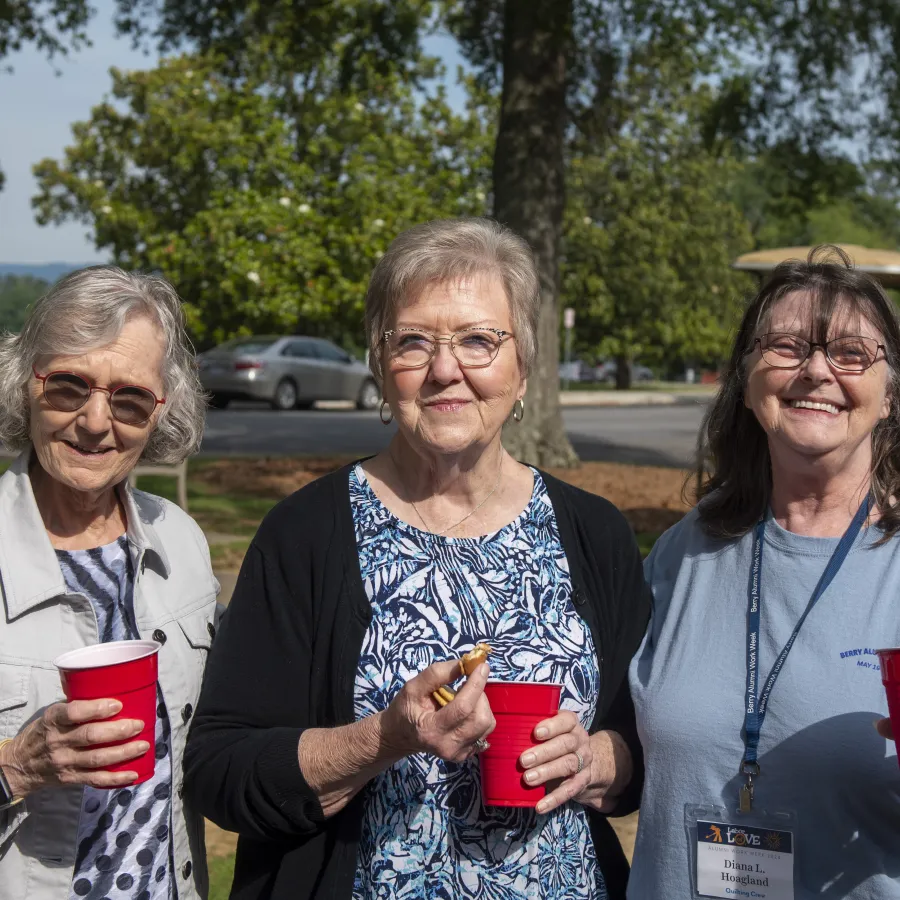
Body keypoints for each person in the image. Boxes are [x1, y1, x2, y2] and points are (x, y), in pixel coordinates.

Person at [184, 217, 650, 900]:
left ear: (524, 368)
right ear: (379, 365)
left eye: (478, 340)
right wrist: (382, 739)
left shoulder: (594, 533)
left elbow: (650, 745)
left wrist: (596, 758)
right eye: (412, 342)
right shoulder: (306, 534)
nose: (444, 369)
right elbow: (220, 768)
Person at [629, 247, 900, 898]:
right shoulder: (682, 552)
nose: (815, 371)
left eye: (851, 353)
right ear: (746, 380)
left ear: (890, 394)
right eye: (785, 346)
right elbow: (625, 746)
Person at [0, 266, 219, 900]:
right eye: (68, 387)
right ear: (25, 384)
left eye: (128, 399)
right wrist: (13, 766)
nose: (97, 423)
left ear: (160, 410)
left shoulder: (180, 540)